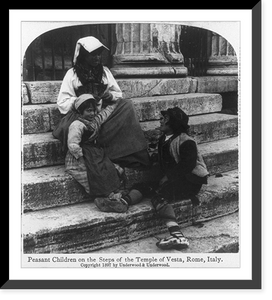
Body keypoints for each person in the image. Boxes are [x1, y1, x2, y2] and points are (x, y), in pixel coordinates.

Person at [95, 107, 209, 250]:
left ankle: (177, 235)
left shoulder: (186, 141)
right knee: (142, 186)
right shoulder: (164, 139)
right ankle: (122, 203)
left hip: (190, 181)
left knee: (159, 197)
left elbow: (187, 165)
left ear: (173, 124)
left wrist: (168, 178)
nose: (160, 121)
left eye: (164, 120)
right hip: (172, 179)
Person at [53, 36, 151, 200]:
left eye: (99, 54)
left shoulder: (105, 72)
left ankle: (122, 151)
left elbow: (118, 94)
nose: (97, 58)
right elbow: (62, 102)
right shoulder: (72, 74)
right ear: (83, 55)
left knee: (127, 105)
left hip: (102, 114)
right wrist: (82, 99)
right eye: (93, 55)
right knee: (73, 128)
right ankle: (94, 151)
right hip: (82, 114)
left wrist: (107, 95)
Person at [65, 93, 125, 201]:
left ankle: (115, 189)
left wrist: (116, 102)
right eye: (88, 111)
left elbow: (106, 113)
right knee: (95, 171)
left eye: (93, 110)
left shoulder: (95, 121)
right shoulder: (77, 125)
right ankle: (106, 194)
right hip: (81, 156)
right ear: (80, 111)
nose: (92, 113)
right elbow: (72, 143)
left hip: (94, 152)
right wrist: (81, 157)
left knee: (108, 166)